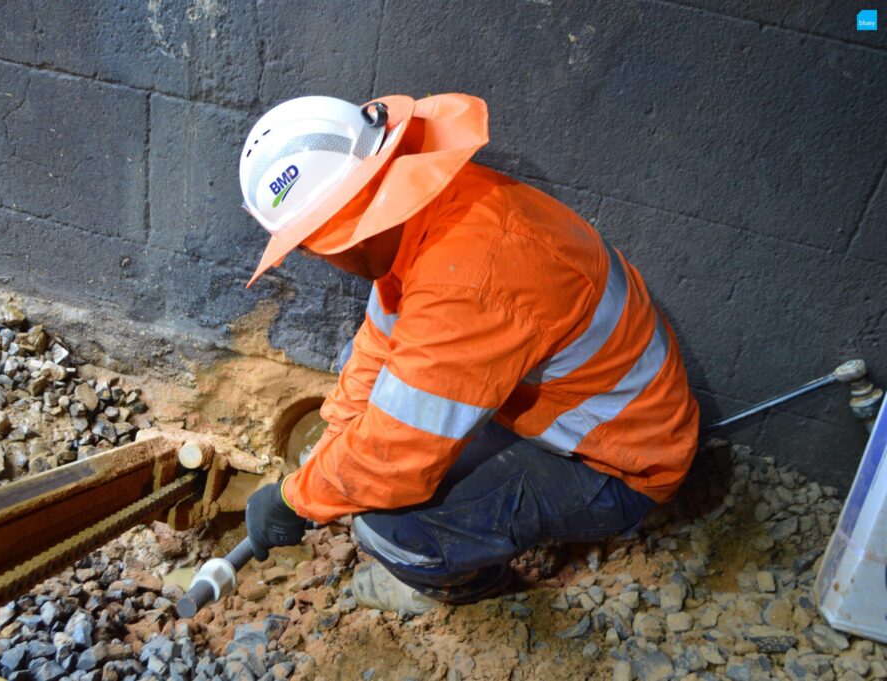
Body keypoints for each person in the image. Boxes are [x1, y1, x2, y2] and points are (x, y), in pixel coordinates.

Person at [239, 94, 699, 613]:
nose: (313, 256)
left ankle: (466, 586)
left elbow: (396, 459)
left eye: (307, 244)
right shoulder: (422, 211)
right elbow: (377, 345)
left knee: (389, 526)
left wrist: (294, 499)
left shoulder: (467, 282)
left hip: (620, 460)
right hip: (569, 404)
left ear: (336, 234)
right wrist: (331, 443)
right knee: (368, 398)